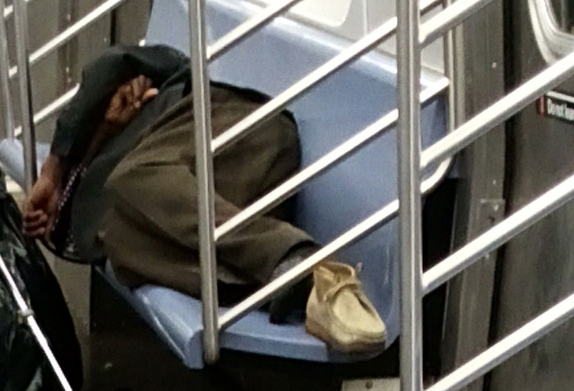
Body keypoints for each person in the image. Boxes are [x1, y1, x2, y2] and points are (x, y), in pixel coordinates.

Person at [21, 44, 385, 354]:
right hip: (209, 205)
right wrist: (97, 142)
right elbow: (86, 235)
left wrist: (54, 168)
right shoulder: (102, 201)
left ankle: (300, 260)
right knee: (121, 247)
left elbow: (113, 62)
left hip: (238, 134)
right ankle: (292, 283)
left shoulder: (168, 95)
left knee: (135, 176)